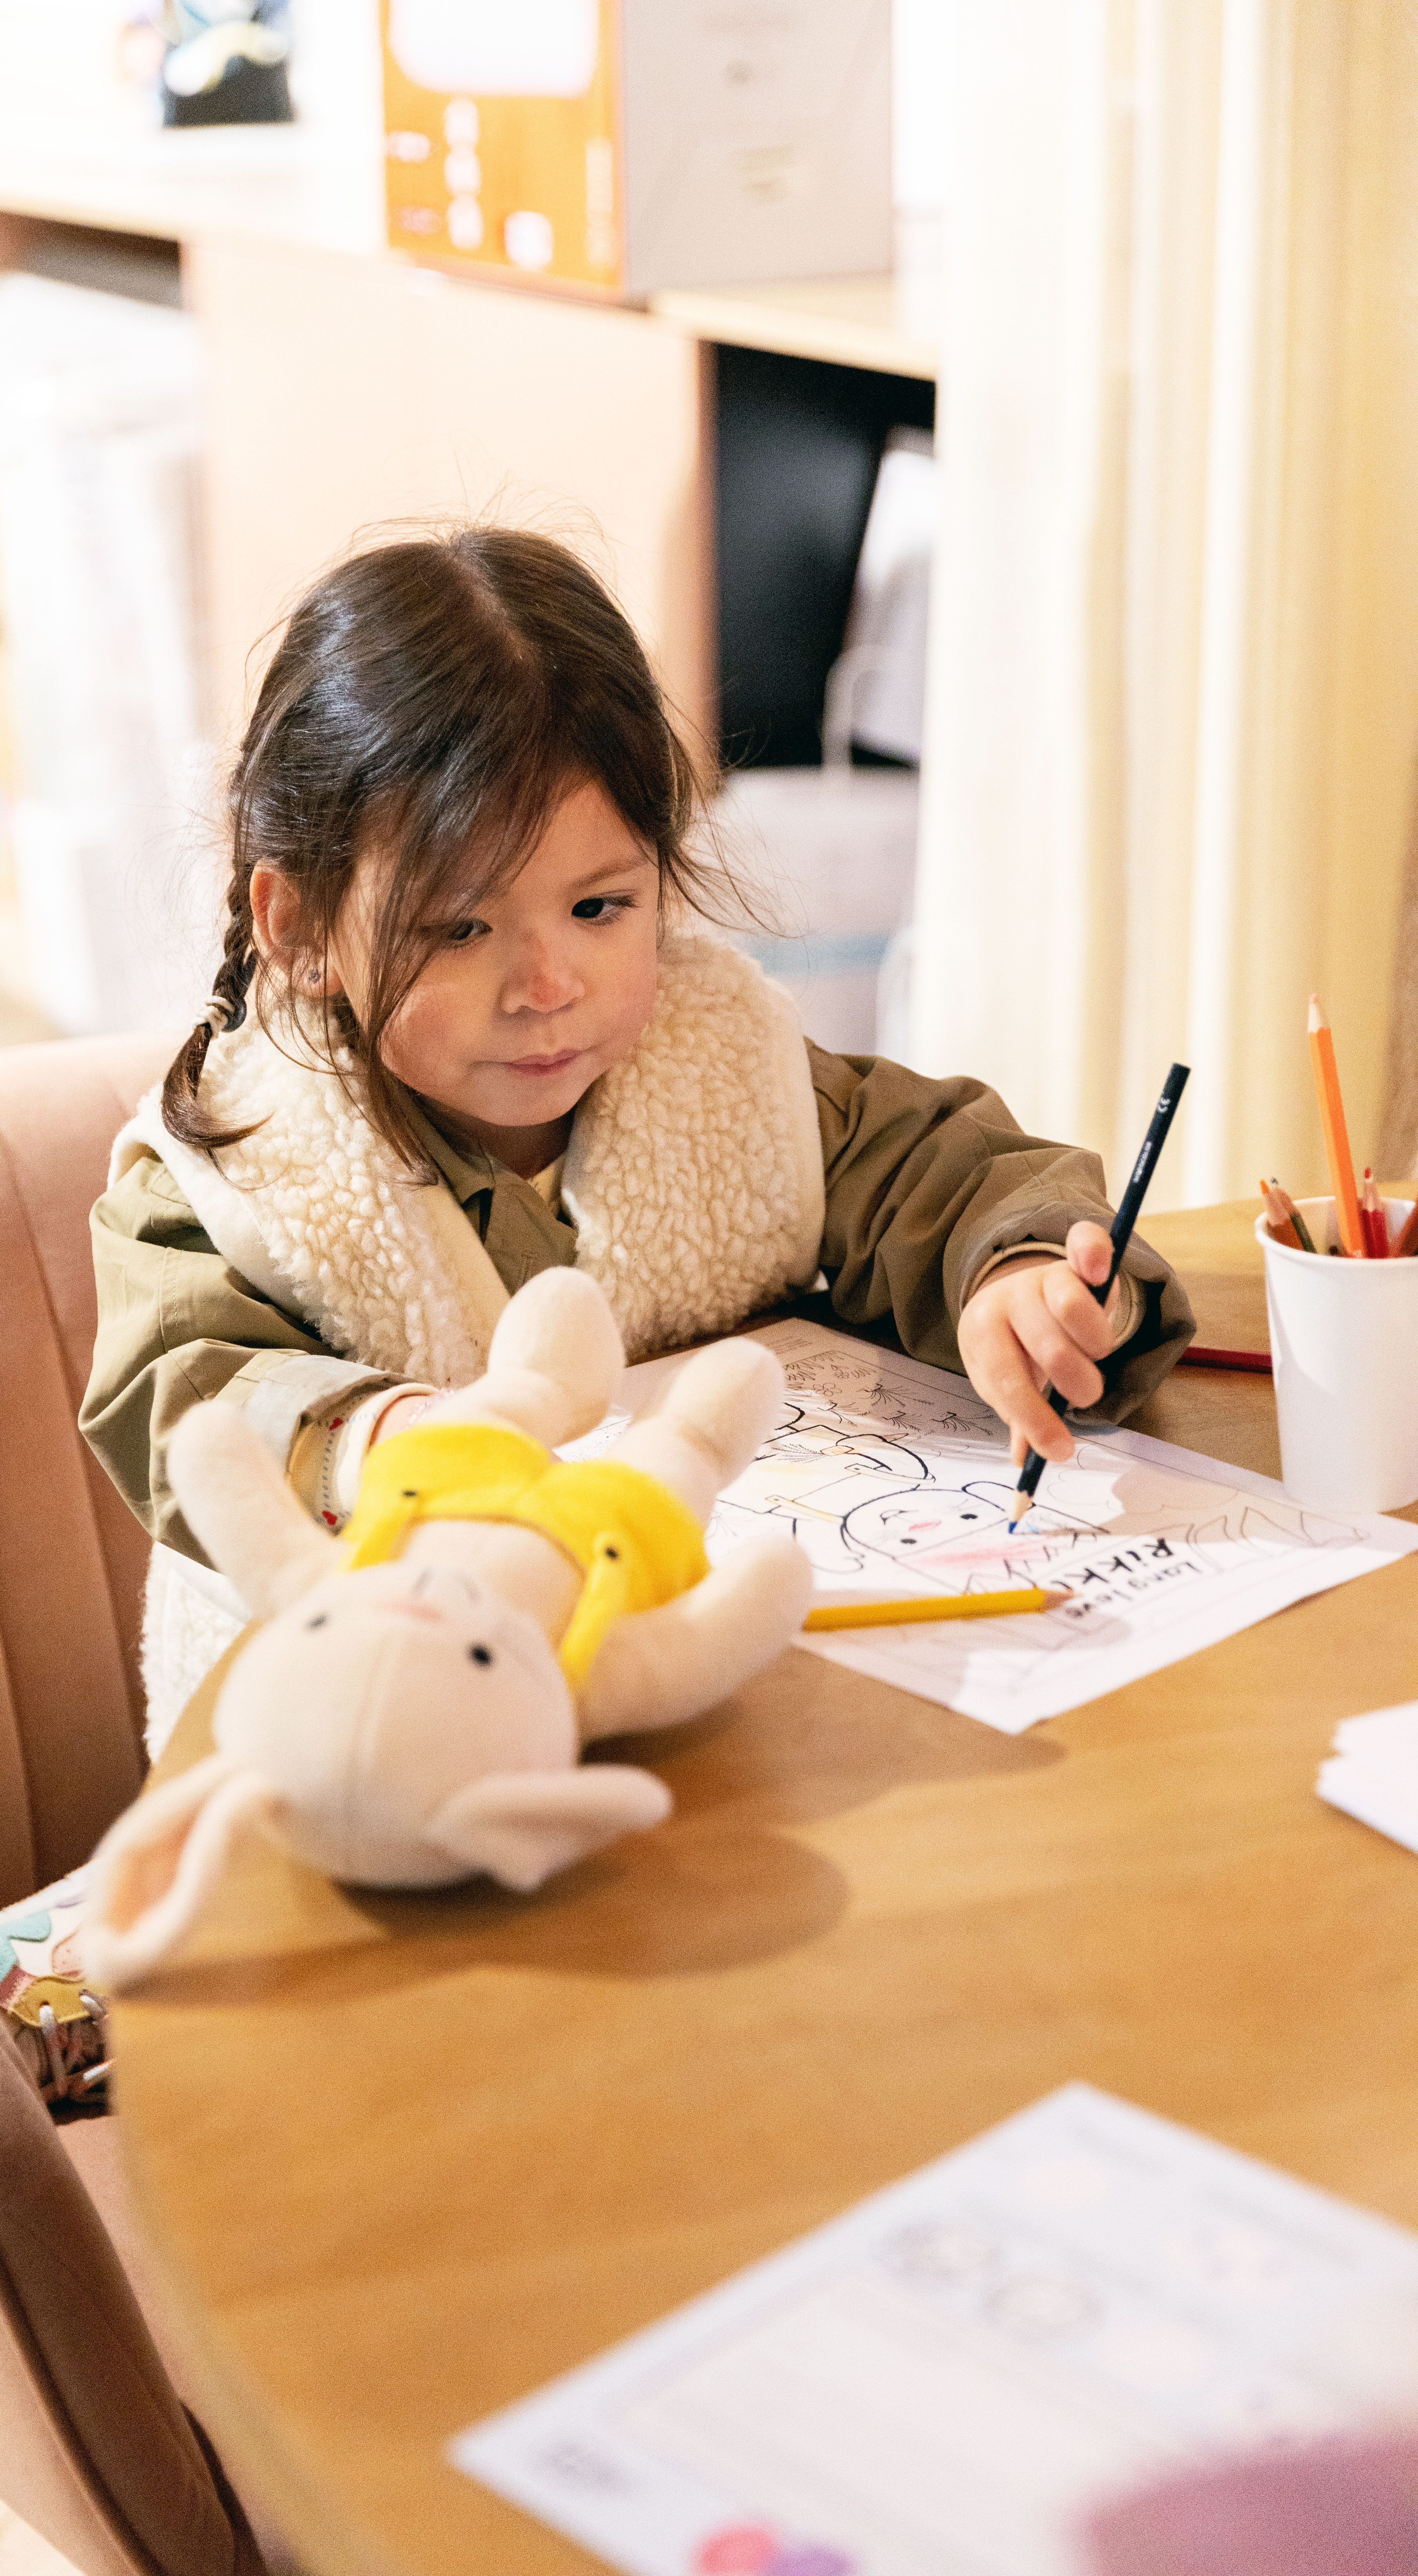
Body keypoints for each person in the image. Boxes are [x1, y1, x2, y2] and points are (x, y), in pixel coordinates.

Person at [81, 528, 1194, 1753]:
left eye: (601, 906)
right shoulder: (226, 1178)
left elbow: (928, 1170)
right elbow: (179, 1401)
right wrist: (384, 1440)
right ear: (296, 923)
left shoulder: (719, 1071)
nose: (548, 983)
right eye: (461, 929)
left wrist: (1017, 1275)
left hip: (684, 1706)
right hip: (368, 1761)